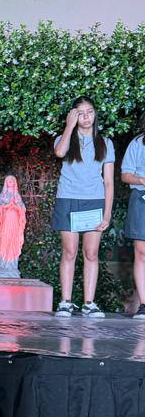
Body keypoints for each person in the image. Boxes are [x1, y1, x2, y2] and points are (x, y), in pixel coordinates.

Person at [51, 97, 114, 318]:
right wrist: (69, 126)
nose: (86, 117)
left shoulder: (105, 143)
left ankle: (89, 303)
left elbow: (109, 182)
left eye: (90, 112)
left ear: (95, 114)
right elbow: (59, 153)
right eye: (81, 113)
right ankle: (66, 302)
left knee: (91, 253)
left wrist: (107, 214)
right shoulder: (64, 138)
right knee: (69, 251)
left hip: (94, 201)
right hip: (68, 199)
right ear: (73, 115)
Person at [119, 112, 145, 319]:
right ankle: (144, 304)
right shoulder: (138, 143)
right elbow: (125, 175)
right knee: (141, 252)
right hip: (141, 198)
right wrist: (143, 180)